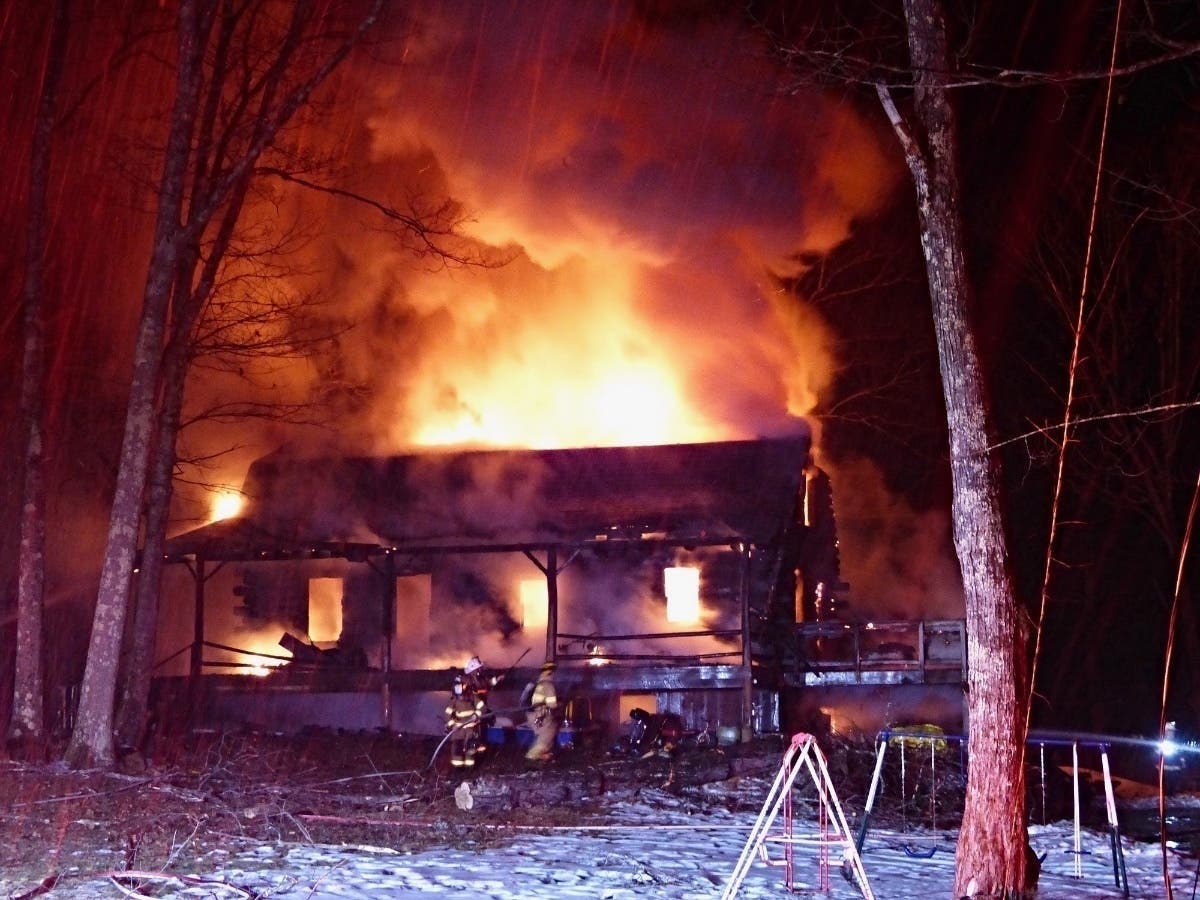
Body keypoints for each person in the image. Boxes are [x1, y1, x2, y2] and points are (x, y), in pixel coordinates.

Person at [444, 675, 485, 769]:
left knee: (470, 749)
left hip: (471, 730)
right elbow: (447, 713)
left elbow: (482, 707)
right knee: (457, 749)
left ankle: (469, 769)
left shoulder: (472, 697)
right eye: (456, 686)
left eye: (460, 685)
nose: (458, 688)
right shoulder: (454, 700)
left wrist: (476, 715)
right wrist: (452, 725)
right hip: (458, 730)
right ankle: (458, 769)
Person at [523, 660, 559, 762]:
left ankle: (543, 757)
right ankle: (532, 756)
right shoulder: (548, 685)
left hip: (531, 714)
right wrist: (559, 703)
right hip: (540, 715)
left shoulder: (537, 684)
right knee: (547, 734)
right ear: (550, 673)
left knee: (546, 735)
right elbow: (552, 705)